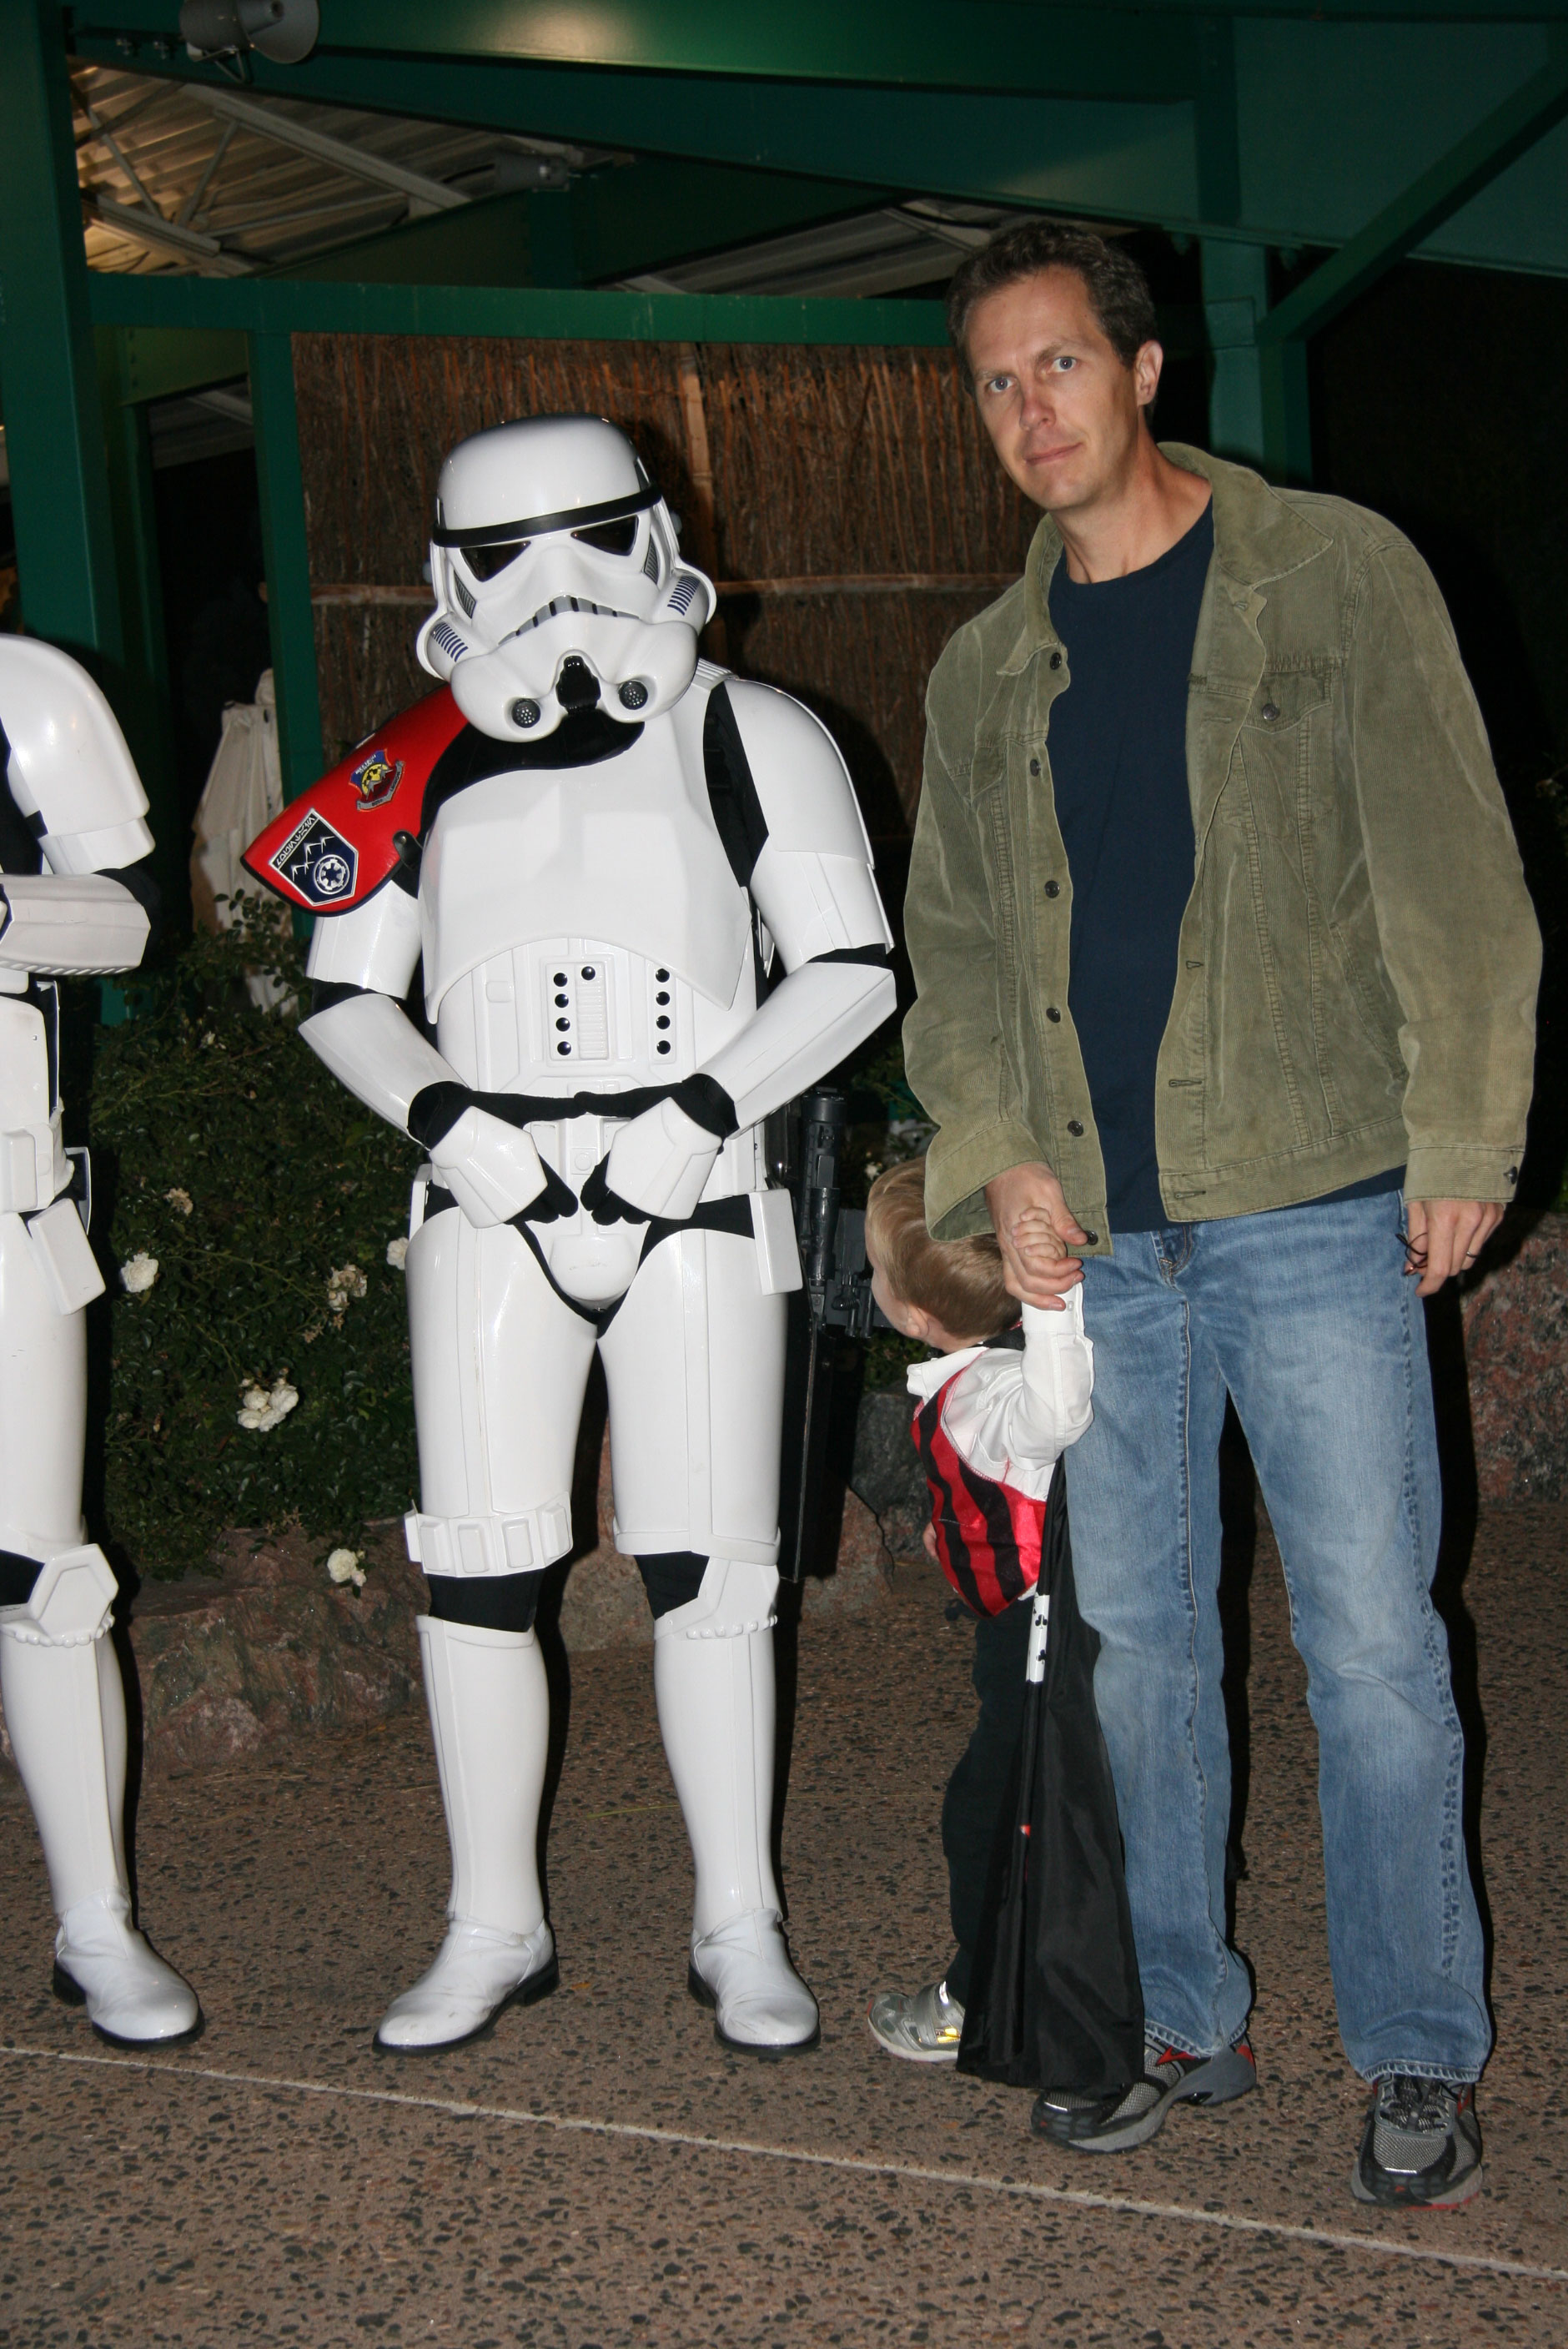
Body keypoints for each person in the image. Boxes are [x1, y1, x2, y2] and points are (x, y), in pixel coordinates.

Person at [902, 219, 1540, 2206]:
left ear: (1142, 368)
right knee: (1137, 1658)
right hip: (1099, 1242)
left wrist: (1465, 1134)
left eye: (1057, 363)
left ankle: (1414, 2039)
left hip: (1313, 1200)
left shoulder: (1331, 575)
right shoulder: (982, 670)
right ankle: (1180, 2006)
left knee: (1371, 1648)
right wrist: (998, 1155)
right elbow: (953, 955)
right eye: (995, 380)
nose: (1029, 408)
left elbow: (1453, 872)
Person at [245, 415, 895, 2058]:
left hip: (698, 1191)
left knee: (715, 1571)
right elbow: (341, 991)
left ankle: (737, 1916)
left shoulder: (752, 733)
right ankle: (492, 1920)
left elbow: (849, 968)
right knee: (475, 1565)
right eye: (509, 558)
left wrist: (692, 1116)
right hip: (486, 1199)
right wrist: (456, 1128)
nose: (559, 591)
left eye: (593, 541)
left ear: (655, 537)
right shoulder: (416, 762)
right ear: (451, 578)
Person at [0, 638, 199, 2047]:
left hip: (7, 1202)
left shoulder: (22, 695)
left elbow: (132, 915)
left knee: (45, 1575)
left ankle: (97, 1923)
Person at [862, 1160, 1140, 2103]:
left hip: (1034, 1643)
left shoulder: (991, 1394)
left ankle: (979, 1990)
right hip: (1016, 1632)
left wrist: (1050, 1301)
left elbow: (1054, 1414)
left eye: (876, 1271)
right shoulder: (973, 1378)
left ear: (915, 1313)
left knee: (989, 1817)